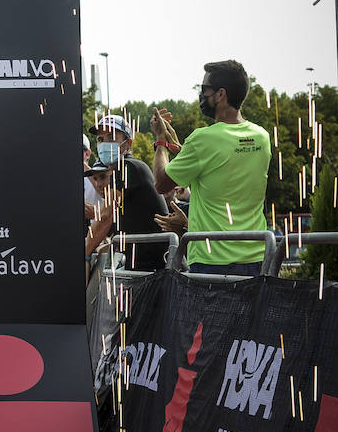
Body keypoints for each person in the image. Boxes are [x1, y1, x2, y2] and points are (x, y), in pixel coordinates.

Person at [151, 60, 271, 275]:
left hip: (213, 262)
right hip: (258, 258)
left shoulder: (202, 140)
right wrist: (181, 148)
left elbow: (161, 184)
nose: (202, 95)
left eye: (205, 89)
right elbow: (222, 165)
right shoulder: (261, 137)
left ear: (220, 94)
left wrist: (161, 142)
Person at [85, 114, 169, 271]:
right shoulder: (123, 168)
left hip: (154, 269)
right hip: (143, 267)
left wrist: (83, 253)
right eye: (101, 139)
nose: (104, 143)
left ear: (128, 143)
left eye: (111, 136)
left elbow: (105, 217)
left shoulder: (127, 167)